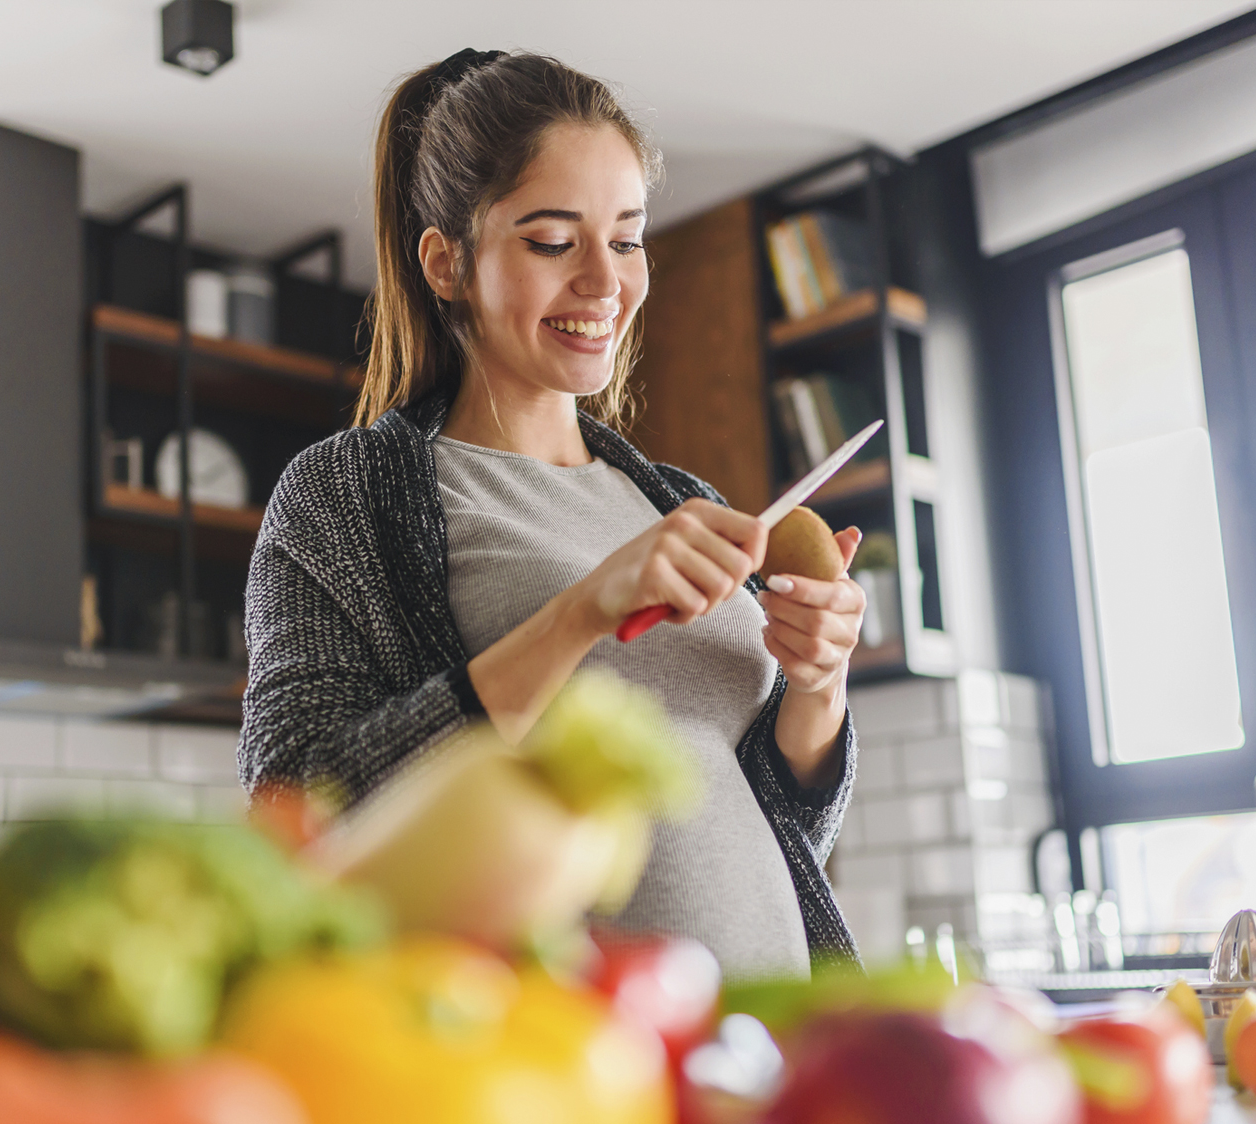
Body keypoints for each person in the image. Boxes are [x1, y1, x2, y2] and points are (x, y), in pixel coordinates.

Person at [238, 48, 866, 977]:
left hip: (761, 1048)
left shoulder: (680, 502)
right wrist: (577, 614)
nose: (605, 283)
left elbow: (784, 823)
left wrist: (818, 682)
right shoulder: (348, 495)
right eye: (551, 240)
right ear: (447, 262)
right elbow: (298, 807)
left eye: (625, 237)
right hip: (546, 1062)